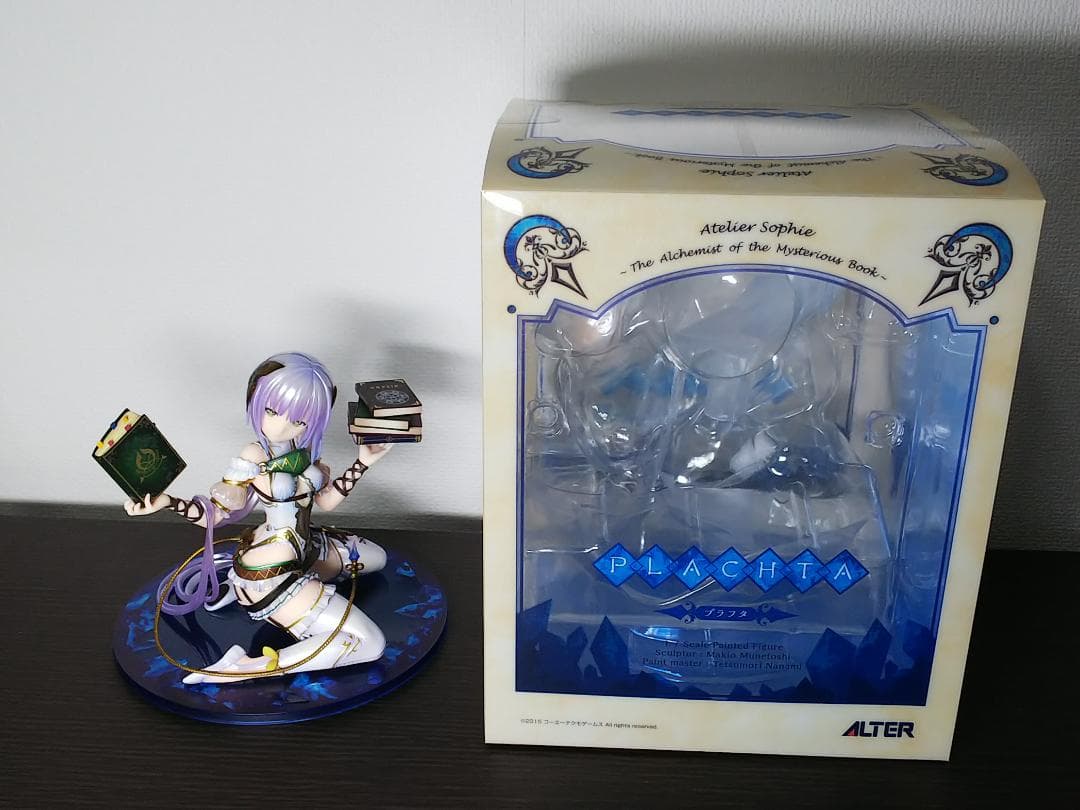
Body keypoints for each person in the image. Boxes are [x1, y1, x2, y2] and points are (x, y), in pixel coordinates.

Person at [125, 352, 392, 684]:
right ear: (255, 398)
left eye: (299, 419)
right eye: (272, 411)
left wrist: (363, 462)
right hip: (270, 575)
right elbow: (215, 515)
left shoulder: (305, 449)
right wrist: (168, 502)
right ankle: (242, 667)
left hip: (309, 550)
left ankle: (305, 595)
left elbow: (325, 501)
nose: (281, 426)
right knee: (370, 643)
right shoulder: (254, 455)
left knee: (379, 558)